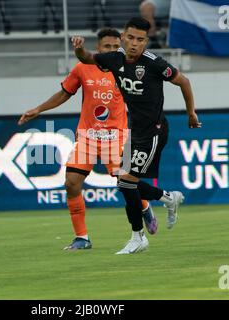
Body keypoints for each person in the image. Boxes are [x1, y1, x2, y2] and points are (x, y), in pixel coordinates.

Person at [72, 17, 201, 254]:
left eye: (140, 40)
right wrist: (79, 49)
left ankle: (138, 237)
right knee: (125, 184)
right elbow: (88, 58)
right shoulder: (114, 59)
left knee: (126, 183)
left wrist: (191, 113)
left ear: (146, 41)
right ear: (123, 37)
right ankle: (168, 198)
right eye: (130, 38)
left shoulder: (154, 63)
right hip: (135, 132)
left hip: (154, 131)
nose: (134, 44)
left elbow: (184, 81)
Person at [18, 28, 153, 250]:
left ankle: (144, 206)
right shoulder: (83, 68)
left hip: (116, 136)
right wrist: (39, 109)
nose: (110, 50)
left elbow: (143, 99)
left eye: (114, 46)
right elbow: (64, 93)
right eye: (106, 46)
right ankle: (82, 238)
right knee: (71, 183)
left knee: (126, 183)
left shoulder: (126, 69)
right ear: (98, 48)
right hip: (88, 137)